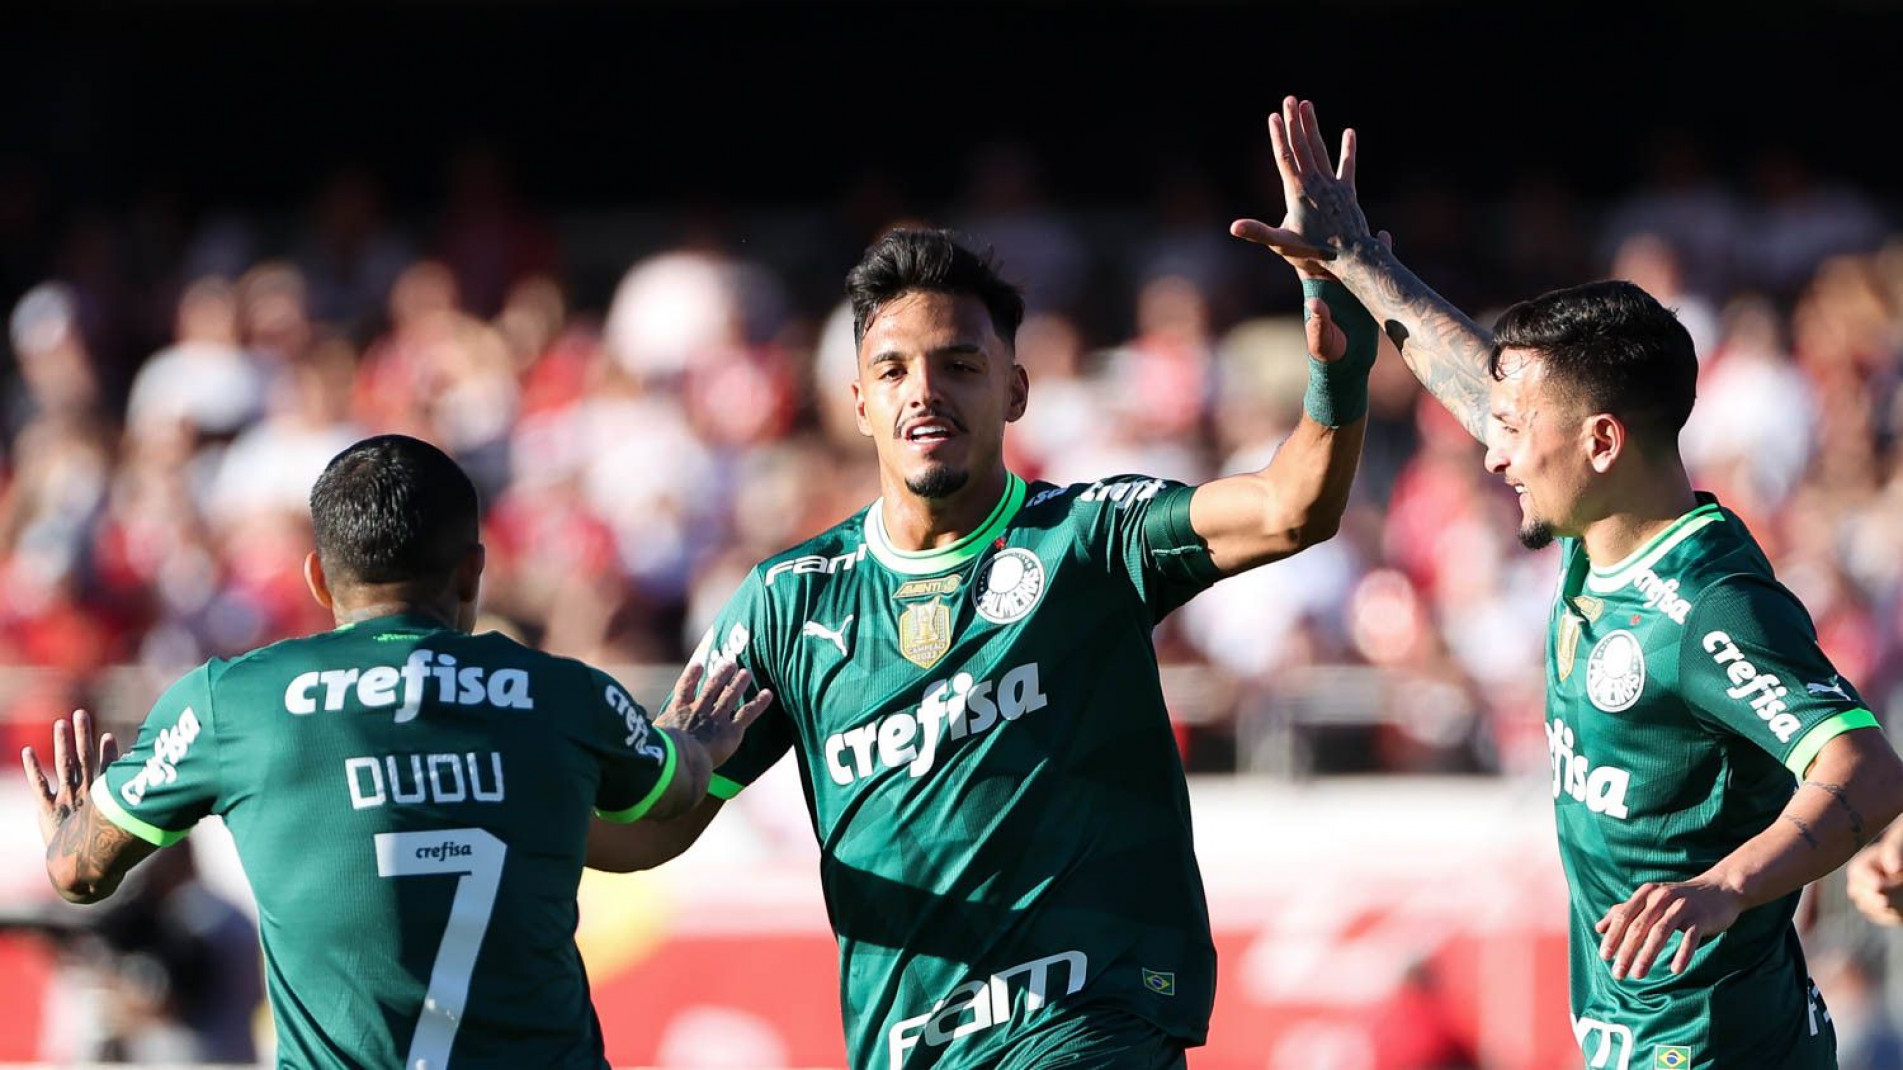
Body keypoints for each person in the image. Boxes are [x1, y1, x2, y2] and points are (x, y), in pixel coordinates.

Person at [585, 224, 1377, 1069]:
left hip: (1088, 1021)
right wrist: (526, 805)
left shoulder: (1090, 539)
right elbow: (643, 836)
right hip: (907, 1048)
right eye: (892, 371)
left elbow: (1290, 507)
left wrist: (1337, 368)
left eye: (958, 365)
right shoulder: (789, 602)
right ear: (858, 403)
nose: (923, 392)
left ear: (1014, 391)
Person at [1233, 96, 1903, 1069]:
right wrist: (1361, 265)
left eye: (1515, 429)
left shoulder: (1702, 601)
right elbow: (1477, 381)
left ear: (1599, 440)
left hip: (1707, 1047)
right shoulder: (1599, 528)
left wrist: (1725, 885)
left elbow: (1867, 768)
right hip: (1645, 1034)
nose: (1492, 451)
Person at [22, 434, 769, 1069]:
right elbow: (669, 796)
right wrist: (695, 743)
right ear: (474, 570)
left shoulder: (229, 703)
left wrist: (72, 831)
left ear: (318, 576)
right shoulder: (568, 696)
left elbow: (79, 874)